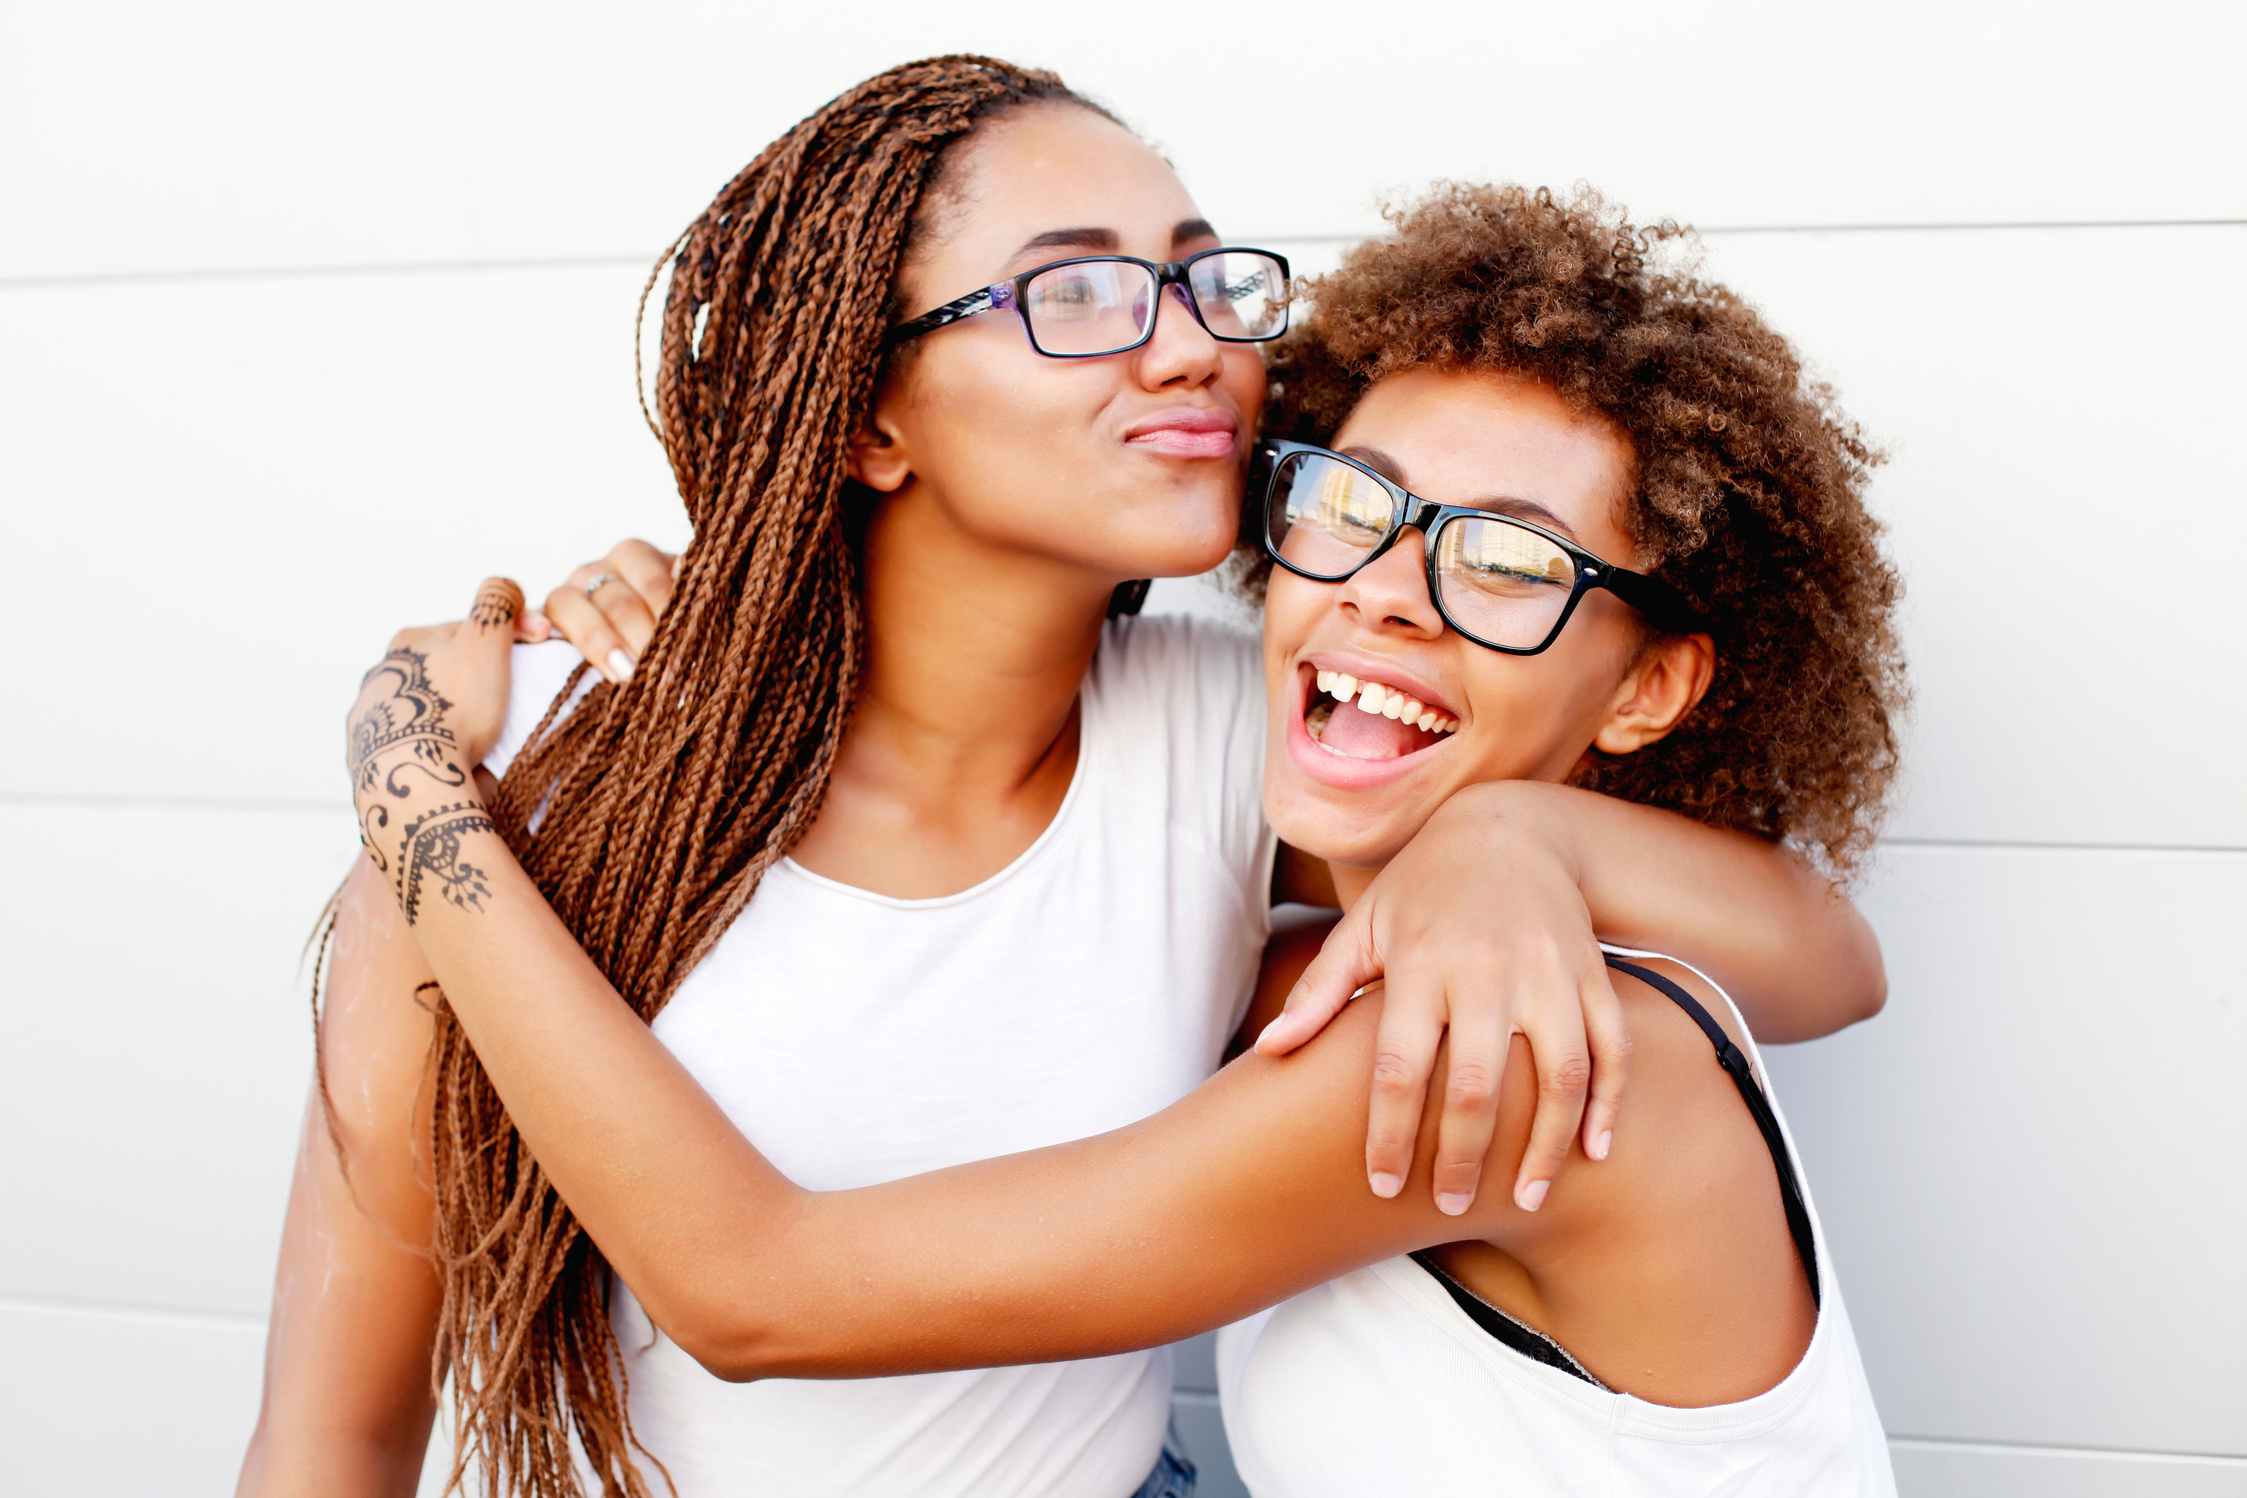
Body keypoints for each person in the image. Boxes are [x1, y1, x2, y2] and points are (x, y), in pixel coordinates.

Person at [241, 57, 1884, 1498]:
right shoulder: (544, 767)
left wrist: (1525, 838)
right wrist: (440, 783)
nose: (1189, 350)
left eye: (1202, 284)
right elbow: (334, 1431)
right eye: (1078, 294)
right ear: (869, 416)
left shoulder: (1261, 743)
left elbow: (1819, 951)